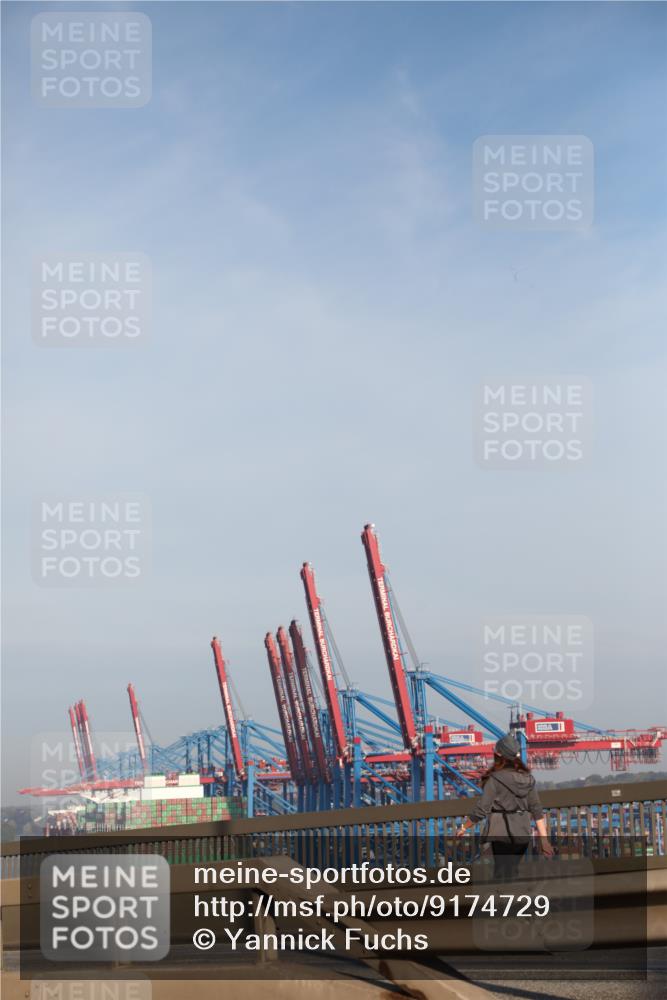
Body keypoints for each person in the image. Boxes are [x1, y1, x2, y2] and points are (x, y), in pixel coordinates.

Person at [456, 733, 554, 879]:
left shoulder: (494, 779)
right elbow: (536, 809)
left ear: (498, 755)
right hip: (522, 831)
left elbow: (482, 809)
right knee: (511, 871)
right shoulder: (528, 779)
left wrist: (464, 827)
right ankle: (513, 897)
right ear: (517, 755)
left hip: (500, 831)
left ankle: (505, 898)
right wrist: (544, 840)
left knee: (502, 874)